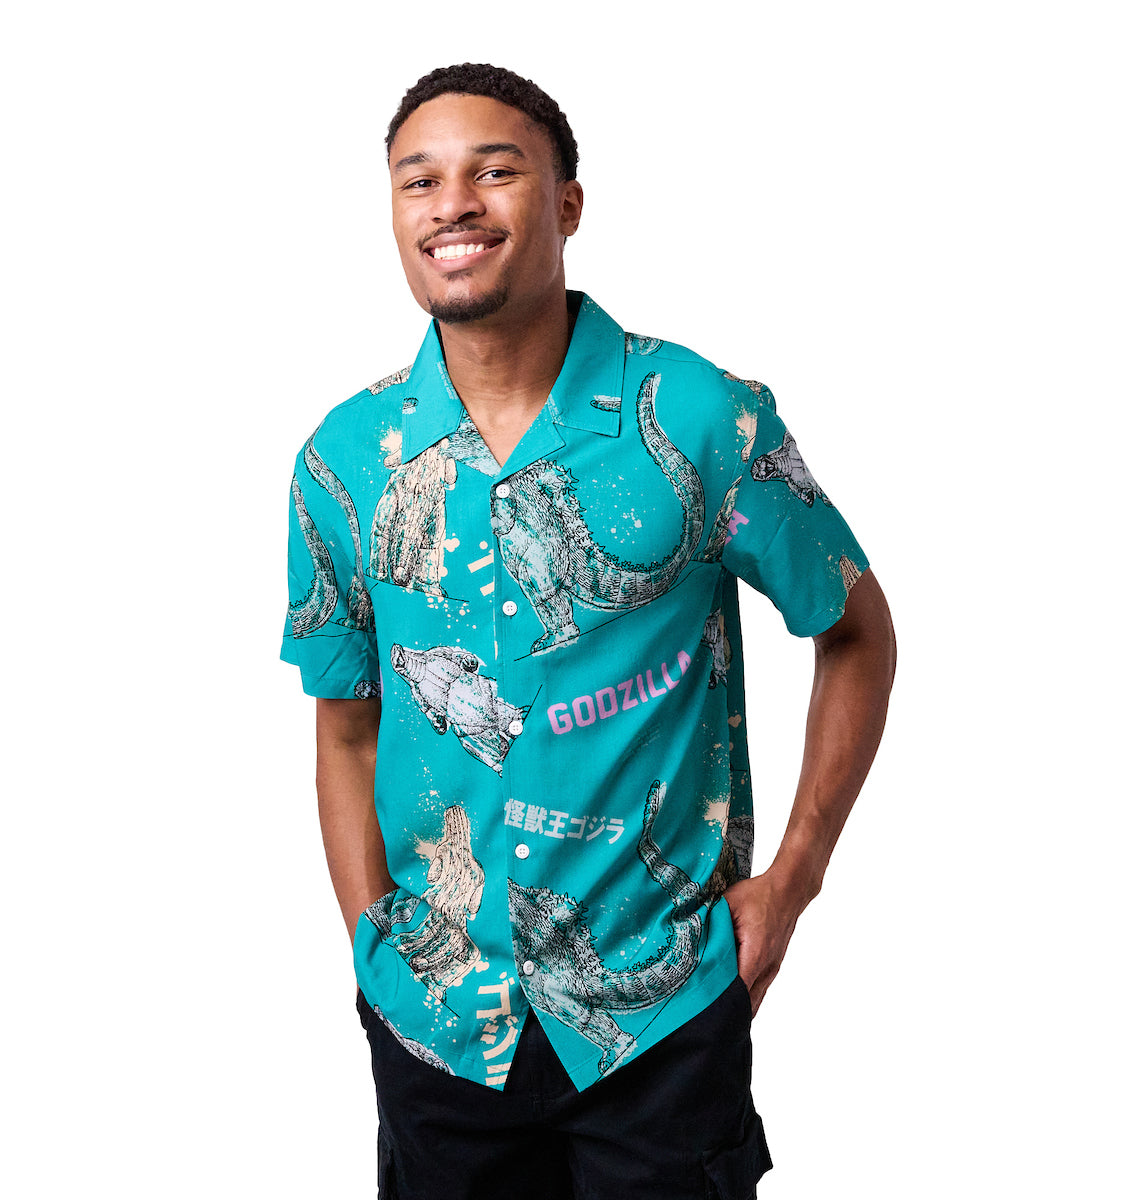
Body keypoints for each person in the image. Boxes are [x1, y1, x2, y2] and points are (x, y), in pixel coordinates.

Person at [281, 62, 896, 1200]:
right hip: (438, 1029)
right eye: (420, 180)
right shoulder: (345, 461)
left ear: (567, 203)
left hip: (662, 1013)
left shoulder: (700, 415)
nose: (453, 205)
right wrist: (374, 948)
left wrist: (793, 884)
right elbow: (347, 725)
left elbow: (856, 630)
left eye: (494, 171)